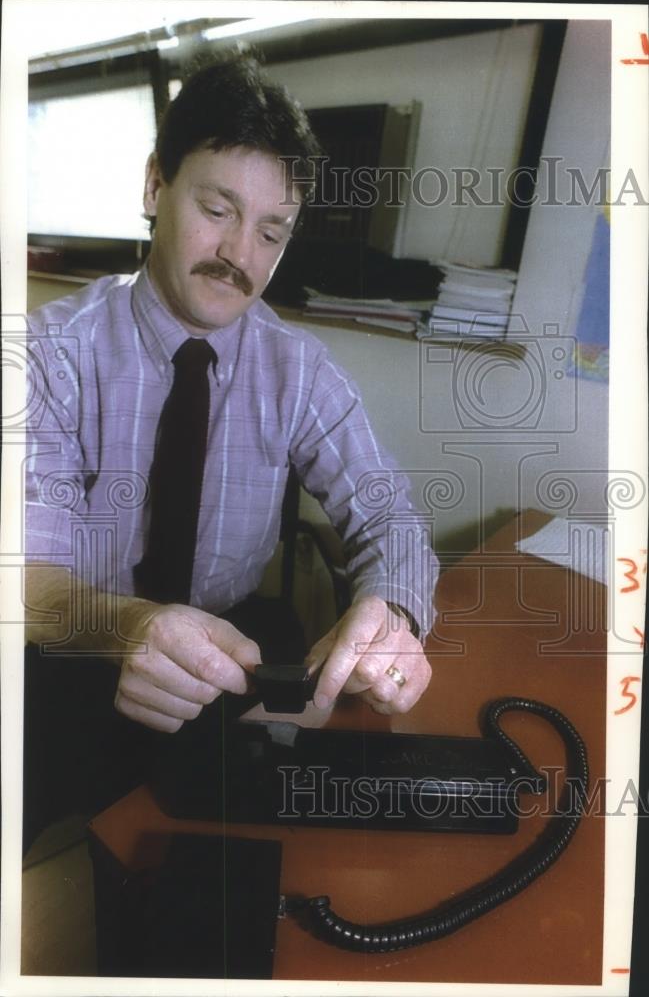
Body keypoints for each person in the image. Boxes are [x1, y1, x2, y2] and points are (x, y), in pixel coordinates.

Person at [24, 53, 438, 849]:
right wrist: (128, 631)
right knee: (60, 871)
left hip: (233, 654)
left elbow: (390, 517)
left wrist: (392, 614)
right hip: (79, 650)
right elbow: (31, 584)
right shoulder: (47, 355)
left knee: (279, 852)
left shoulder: (299, 368)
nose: (239, 255)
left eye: (271, 231)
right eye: (217, 209)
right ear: (155, 188)